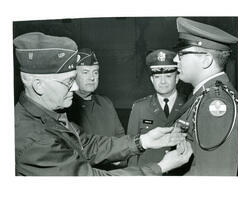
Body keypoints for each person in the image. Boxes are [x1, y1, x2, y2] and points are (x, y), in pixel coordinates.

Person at [14, 32, 193, 176]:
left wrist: (144, 141)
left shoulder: (50, 115)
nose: (75, 86)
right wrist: (160, 167)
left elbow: (89, 145)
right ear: (38, 85)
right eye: (68, 82)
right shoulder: (34, 140)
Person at [169, 17, 238, 176]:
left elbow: (214, 176)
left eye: (181, 54)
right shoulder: (203, 95)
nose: (175, 60)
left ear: (206, 60)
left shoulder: (215, 104)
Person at [67, 48, 126, 170]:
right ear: (73, 76)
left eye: (95, 72)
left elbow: (121, 138)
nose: (92, 78)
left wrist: (120, 160)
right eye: (85, 72)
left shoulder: (106, 103)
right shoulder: (66, 107)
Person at [127, 49, 187, 167]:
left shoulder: (188, 104)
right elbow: (131, 149)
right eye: (158, 77)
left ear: (177, 78)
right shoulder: (140, 107)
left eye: (168, 76)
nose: (163, 81)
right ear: (152, 80)